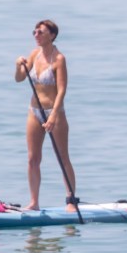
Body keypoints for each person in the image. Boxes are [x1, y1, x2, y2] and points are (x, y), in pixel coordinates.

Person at [14, 19, 78, 213]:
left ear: (52, 35)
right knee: (33, 159)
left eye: (40, 32)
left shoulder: (59, 59)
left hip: (54, 113)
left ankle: (71, 201)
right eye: (34, 32)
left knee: (62, 157)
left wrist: (53, 117)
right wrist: (19, 66)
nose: (36, 35)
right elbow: (19, 79)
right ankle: (34, 202)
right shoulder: (34, 54)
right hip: (34, 112)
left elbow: (62, 90)